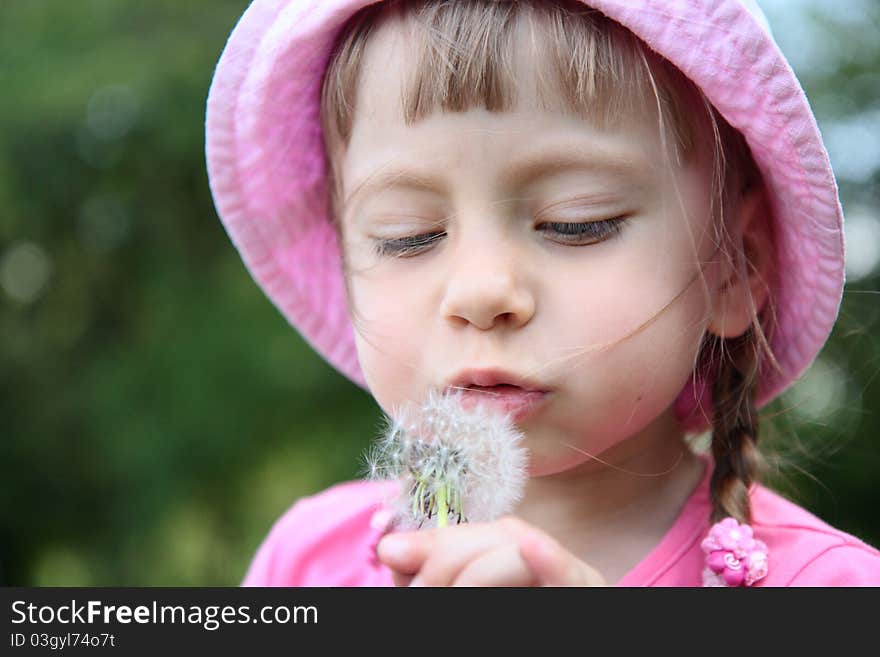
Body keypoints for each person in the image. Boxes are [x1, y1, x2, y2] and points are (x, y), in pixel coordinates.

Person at [205, 0, 880, 586]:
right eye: (406, 236)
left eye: (576, 222)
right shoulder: (307, 562)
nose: (481, 291)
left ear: (737, 263)